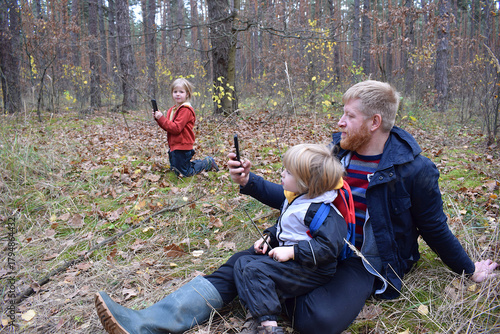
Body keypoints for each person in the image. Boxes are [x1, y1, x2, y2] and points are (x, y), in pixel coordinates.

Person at [95, 80, 497, 334]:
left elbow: (434, 226)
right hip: (309, 242)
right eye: (341, 113)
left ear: (375, 122)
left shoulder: (414, 169)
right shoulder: (338, 154)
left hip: (361, 260)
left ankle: (267, 298)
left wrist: (468, 269)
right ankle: (148, 322)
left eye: (348, 116)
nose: (339, 122)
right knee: (240, 263)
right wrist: (251, 183)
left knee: (316, 320)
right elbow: (297, 201)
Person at [234, 144, 347, 334]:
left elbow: (329, 248)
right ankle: (256, 313)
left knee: (255, 270)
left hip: (313, 268)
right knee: (242, 263)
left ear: (306, 182)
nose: (282, 174)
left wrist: (292, 251)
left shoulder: (321, 211)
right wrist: (270, 237)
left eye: (288, 172)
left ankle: (269, 327)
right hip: (293, 261)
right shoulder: (295, 198)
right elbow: (288, 225)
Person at [153, 78, 218, 177]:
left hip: (182, 145)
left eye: (181, 92)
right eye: (175, 92)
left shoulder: (186, 110)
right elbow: (168, 127)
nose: (178, 94)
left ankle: (207, 163)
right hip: (174, 145)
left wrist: (161, 118)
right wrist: (158, 119)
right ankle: (193, 164)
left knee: (185, 172)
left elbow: (176, 128)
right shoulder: (172, 110)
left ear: (187, 94)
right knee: (176, 170)